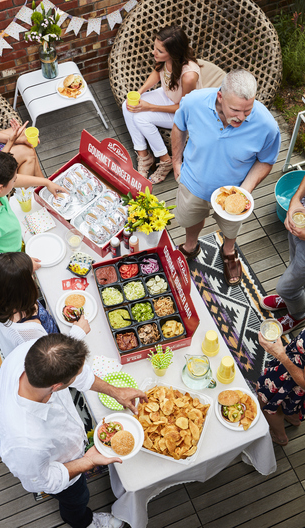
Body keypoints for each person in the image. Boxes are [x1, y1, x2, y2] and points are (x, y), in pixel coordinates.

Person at [0, 333, 148, 528]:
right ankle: (83, 522)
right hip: (61, 469)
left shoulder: (35, 350)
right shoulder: (25, 443)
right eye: (74, 377)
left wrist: (115, 391)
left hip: (67, 439)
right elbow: (43, 481)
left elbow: (80, 375)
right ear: (56, 386)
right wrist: (88, 461)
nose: (80, 377)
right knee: (77, 499)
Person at [172, 69, 281, 286]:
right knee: (191, 219)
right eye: (235, 110)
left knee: (231, 229)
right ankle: (191, 246)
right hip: (194, 182)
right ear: (220, 96)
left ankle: (229, 252)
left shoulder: (267, 126)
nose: (241, 117)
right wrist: (176, 162)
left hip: (234, 191)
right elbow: (178, 126)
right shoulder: (193, 102)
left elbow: (266, 160)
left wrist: (244, 192)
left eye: (247, 110)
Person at [122, 25, 202, 184]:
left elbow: (184, 108)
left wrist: (150, 107)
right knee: (127, 106)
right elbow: (158, 73)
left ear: (173, 52)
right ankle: (144, 156)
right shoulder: (165, 59)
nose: (154, 52)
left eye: (159, 51)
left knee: (141, 118)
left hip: (184, 113)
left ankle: (166, 161)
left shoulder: (189, 76)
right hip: (166, 95)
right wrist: (140, 92)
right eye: (155, 48)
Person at [0, 150, 64, 276]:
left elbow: (15, 180)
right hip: (5, 269)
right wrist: (22, 264)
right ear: (0, 188)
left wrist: (47, 183)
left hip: (12, 248)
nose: (16, 181)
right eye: (13, 180)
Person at [0, 252, 90, 356]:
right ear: (24, 289)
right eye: (30, 276)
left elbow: (0, 258)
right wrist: (77, 333)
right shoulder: (28, 331)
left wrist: (24, 264)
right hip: (49, 346)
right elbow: (51, 357)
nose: (33, 276)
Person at [260, 175, 305, 334]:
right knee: (294, 263)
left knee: (285, 288)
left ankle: (298, 314)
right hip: (301, 220)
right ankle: (294, 298)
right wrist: (296, 199)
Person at [256, 330, 305, 446]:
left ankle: (280, 437)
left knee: (265, 399)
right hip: (295, 361)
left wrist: (281, 355)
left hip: (293, 377)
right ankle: (293, 419)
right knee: (292, 405)